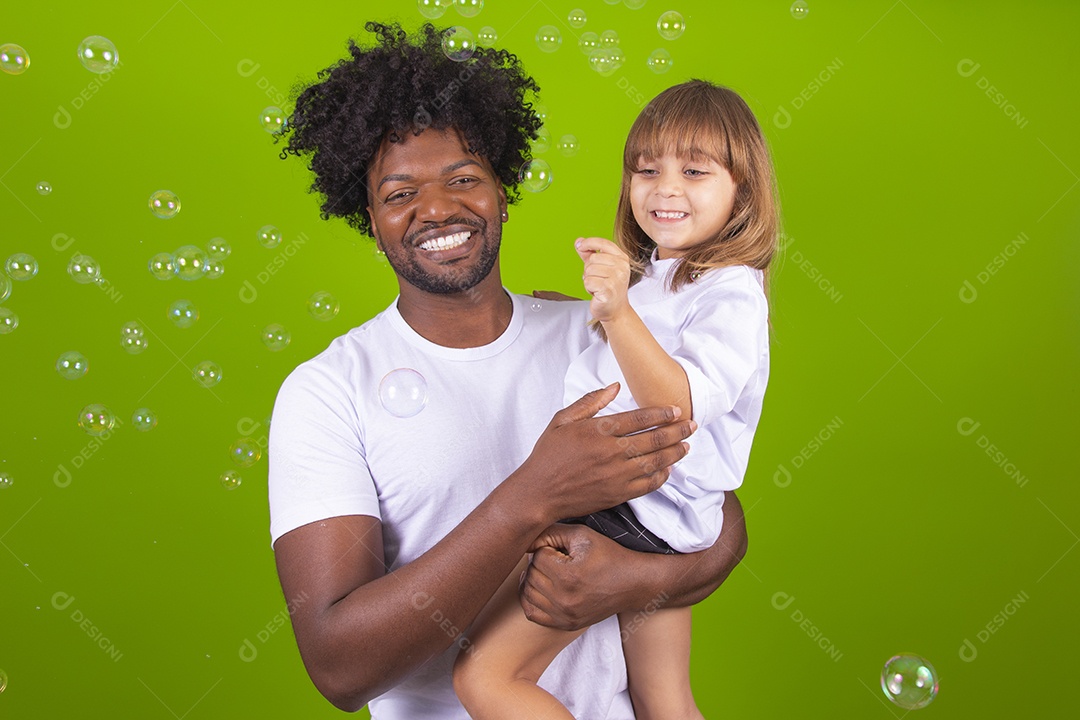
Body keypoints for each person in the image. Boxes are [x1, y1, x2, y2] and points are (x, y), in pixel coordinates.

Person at [268, 23, 748, 718]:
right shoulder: (327, 393)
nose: (437, 208)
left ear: (502, 189)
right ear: (369, 218)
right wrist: (533, 496)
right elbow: (339, 667)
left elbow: (716, 513)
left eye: (463, 179)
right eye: (400, 194)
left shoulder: (598, 334)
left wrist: (630, 581)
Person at [453, 80, 777, 719]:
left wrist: (618, 310)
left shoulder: (732, 290)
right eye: (646, 170)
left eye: (694, 171)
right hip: (667, 520)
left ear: (744, 190)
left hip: (633, 509)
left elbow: (679, 404)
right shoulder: (667, 274)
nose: (665, 188)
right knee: (665, 700)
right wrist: (580, 312)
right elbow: (649, 339)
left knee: (485, 680)